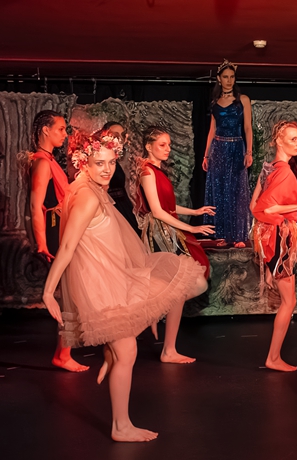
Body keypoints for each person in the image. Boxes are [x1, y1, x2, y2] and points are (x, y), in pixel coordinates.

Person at [42, 130, 206, 442]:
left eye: (111, 162)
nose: (107, 169)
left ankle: (112, 359)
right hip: (100, 282)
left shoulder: (89, 188)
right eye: (99, 163)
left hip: (111, 276)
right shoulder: (87, 196)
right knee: (128, 349)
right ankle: (121, 426)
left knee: (131, 336)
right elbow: (67, 247)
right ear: (83, 163)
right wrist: (49, 291)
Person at [136, 126, 214, 363]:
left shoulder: (157, 171)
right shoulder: (147, 171)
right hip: (159, 234)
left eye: (169, 144)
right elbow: (157, 211)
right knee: (184, 285)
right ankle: (166, 346)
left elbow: (168, 207)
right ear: (149, 146)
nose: (168, 149)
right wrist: (191, 228)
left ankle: (164, 338)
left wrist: (195, 212)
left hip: (169, 230)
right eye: (162, 145)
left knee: (190, 285)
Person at [26, 110, 87, 373]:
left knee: (74, 293)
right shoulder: (42, 163)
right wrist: (42, 244)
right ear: (45, 130)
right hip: (54, 228)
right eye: (60, 129)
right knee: (70, 294)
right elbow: (36, 206)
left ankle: (64, 352)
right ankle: (63, 354)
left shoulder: (48, 160)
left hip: (60, 225)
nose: (64, 134)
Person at [250, 121, 297, 372]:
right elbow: (266, 209)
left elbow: (253, 206)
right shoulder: (284, 172)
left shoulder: (269, 169)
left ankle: (274, 356)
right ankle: (273, 358)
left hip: (270, 237)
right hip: (279, 238)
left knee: (287, 299)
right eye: (293, 139)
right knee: (289, 301)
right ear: (278, 141)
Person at [202, 59, 253, 247]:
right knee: (220, 191)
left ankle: (238, 236)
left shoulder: (243, 100)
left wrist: (249, 152)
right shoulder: (215, 102)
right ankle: (221, 234)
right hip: (218, 149)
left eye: (232, 77)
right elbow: (211, 130)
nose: (229, 80)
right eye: (225, 77)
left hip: (236, 148)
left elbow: (247, 128)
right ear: (219, 78)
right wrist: (206, 155)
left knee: (237, 192)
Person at [102, 121, 140, 235]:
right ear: (105, 135)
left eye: (122, 135)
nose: (119, 138)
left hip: (124, 204)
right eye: (115, 135)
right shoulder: (102, 159)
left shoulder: (121, 159)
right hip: (112, 206)